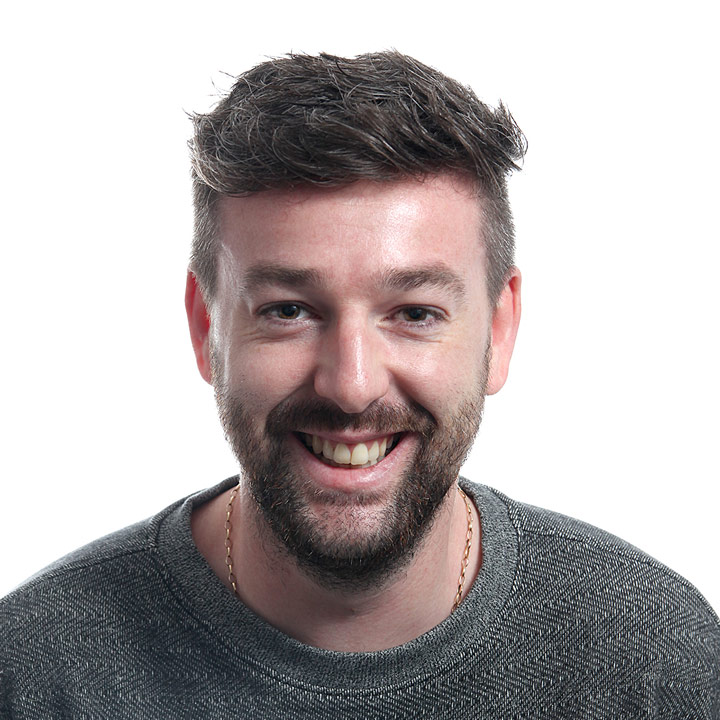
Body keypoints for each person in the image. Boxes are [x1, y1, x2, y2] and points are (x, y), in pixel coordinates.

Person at [1, 51, 718, 718]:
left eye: (415, 314)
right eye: (288, 311)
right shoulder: (36, 671)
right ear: (205, 327)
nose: (351, 386)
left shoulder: (655, 658)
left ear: (499, 331)